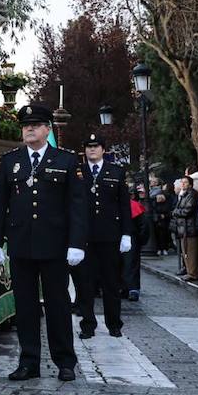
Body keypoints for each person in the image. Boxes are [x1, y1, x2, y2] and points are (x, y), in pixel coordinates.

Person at [0, 103, 88, 382]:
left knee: (58, 304)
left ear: (47, 129)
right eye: (25, 125)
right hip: (21, 244)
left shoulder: (66, 160)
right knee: (25, 306)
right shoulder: (10, 161)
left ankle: (65, 361)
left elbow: (77, 206)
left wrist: (77, 243)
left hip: (55, 245)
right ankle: (29, 361)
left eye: (35, 125)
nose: (29, 129)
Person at [75, 133, 132, 338]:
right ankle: (88, 324)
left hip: (110, 236)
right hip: (85, 237)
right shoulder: (77, 172)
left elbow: (124, 206)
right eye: (88, 146)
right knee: (85, 283)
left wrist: (126, 233)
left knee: (111, 283)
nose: (92, 150)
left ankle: (114, 324)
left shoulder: (116, 172)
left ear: (103, 150)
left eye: (96, 146)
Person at [171, 176, 198, 281]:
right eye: (182, 182)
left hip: (189, 227)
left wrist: (176, 212)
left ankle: (192, 273)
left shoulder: (192, 195)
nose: (183, 184)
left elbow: (187, 210)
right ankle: (189, 271)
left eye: (185, 182)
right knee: (185, 251)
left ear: (190, 184)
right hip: (183, 227)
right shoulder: (183, 195)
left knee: (190, 251)